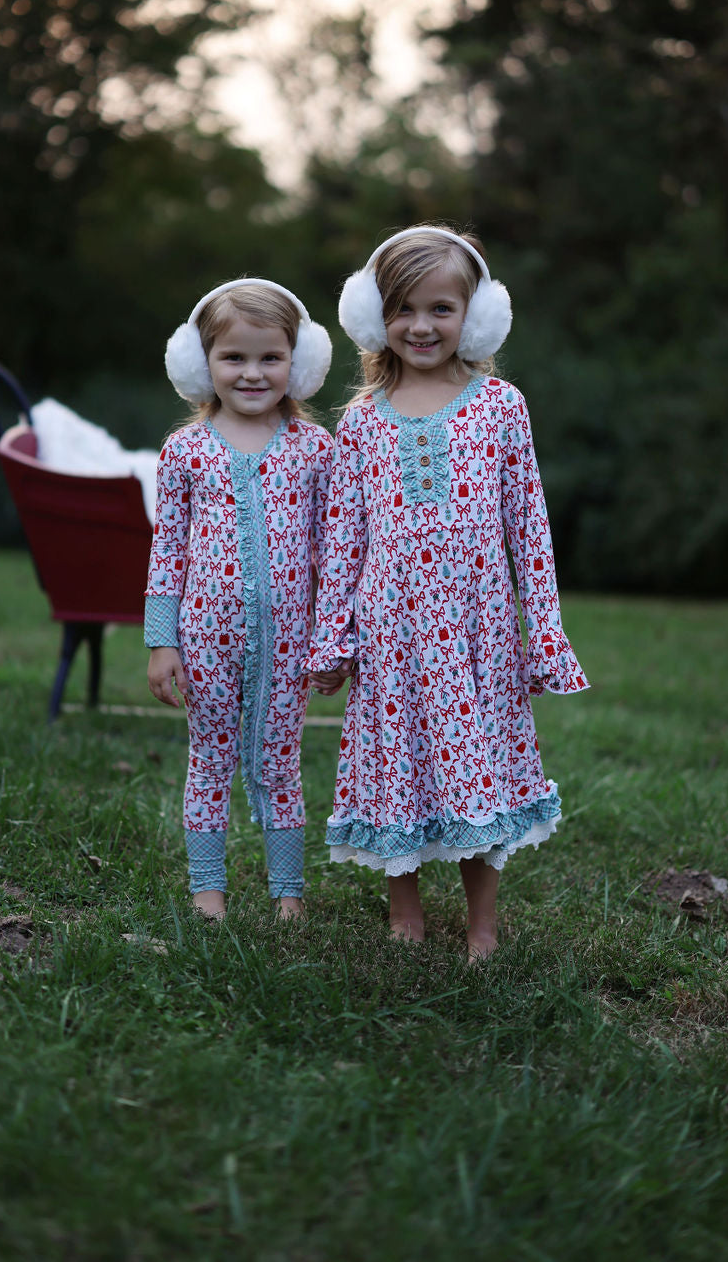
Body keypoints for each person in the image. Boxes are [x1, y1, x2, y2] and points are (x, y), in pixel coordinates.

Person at [308, 226, 588, 960]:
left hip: (478, 629)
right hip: (390, 630)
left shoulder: (501, 405)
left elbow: (529, 523)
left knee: (479, 766)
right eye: (403, 309)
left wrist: (545, 629)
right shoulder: (362, 421)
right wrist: (333, 636)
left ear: (476, 314)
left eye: (440, 308)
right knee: (395, 764)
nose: (422, 325)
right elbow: (343, 538)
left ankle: (483, 922)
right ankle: (404, 913)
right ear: (376, 318)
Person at [145, 279, 335, 920]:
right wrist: (161, 641)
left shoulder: (316, 450)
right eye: (233, 358)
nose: (252, 373)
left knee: (281, 763)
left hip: (291, 643)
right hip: (205, 640)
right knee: (210, 759)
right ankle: (207, 891)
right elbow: (166, 553)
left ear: (297, 363)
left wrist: (333, 637)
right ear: (203, 365)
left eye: (270, 358)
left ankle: (288, 895)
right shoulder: (186, 452)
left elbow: (334, 552)